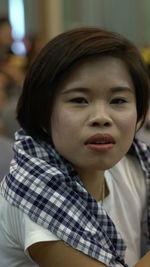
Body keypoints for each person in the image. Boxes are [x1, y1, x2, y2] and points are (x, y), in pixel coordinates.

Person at [0, 27, 150, 267]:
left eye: (118, 100)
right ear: (43, 114)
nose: (101, 117)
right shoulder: (34, 196)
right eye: (79, 100)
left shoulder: (133, 165)